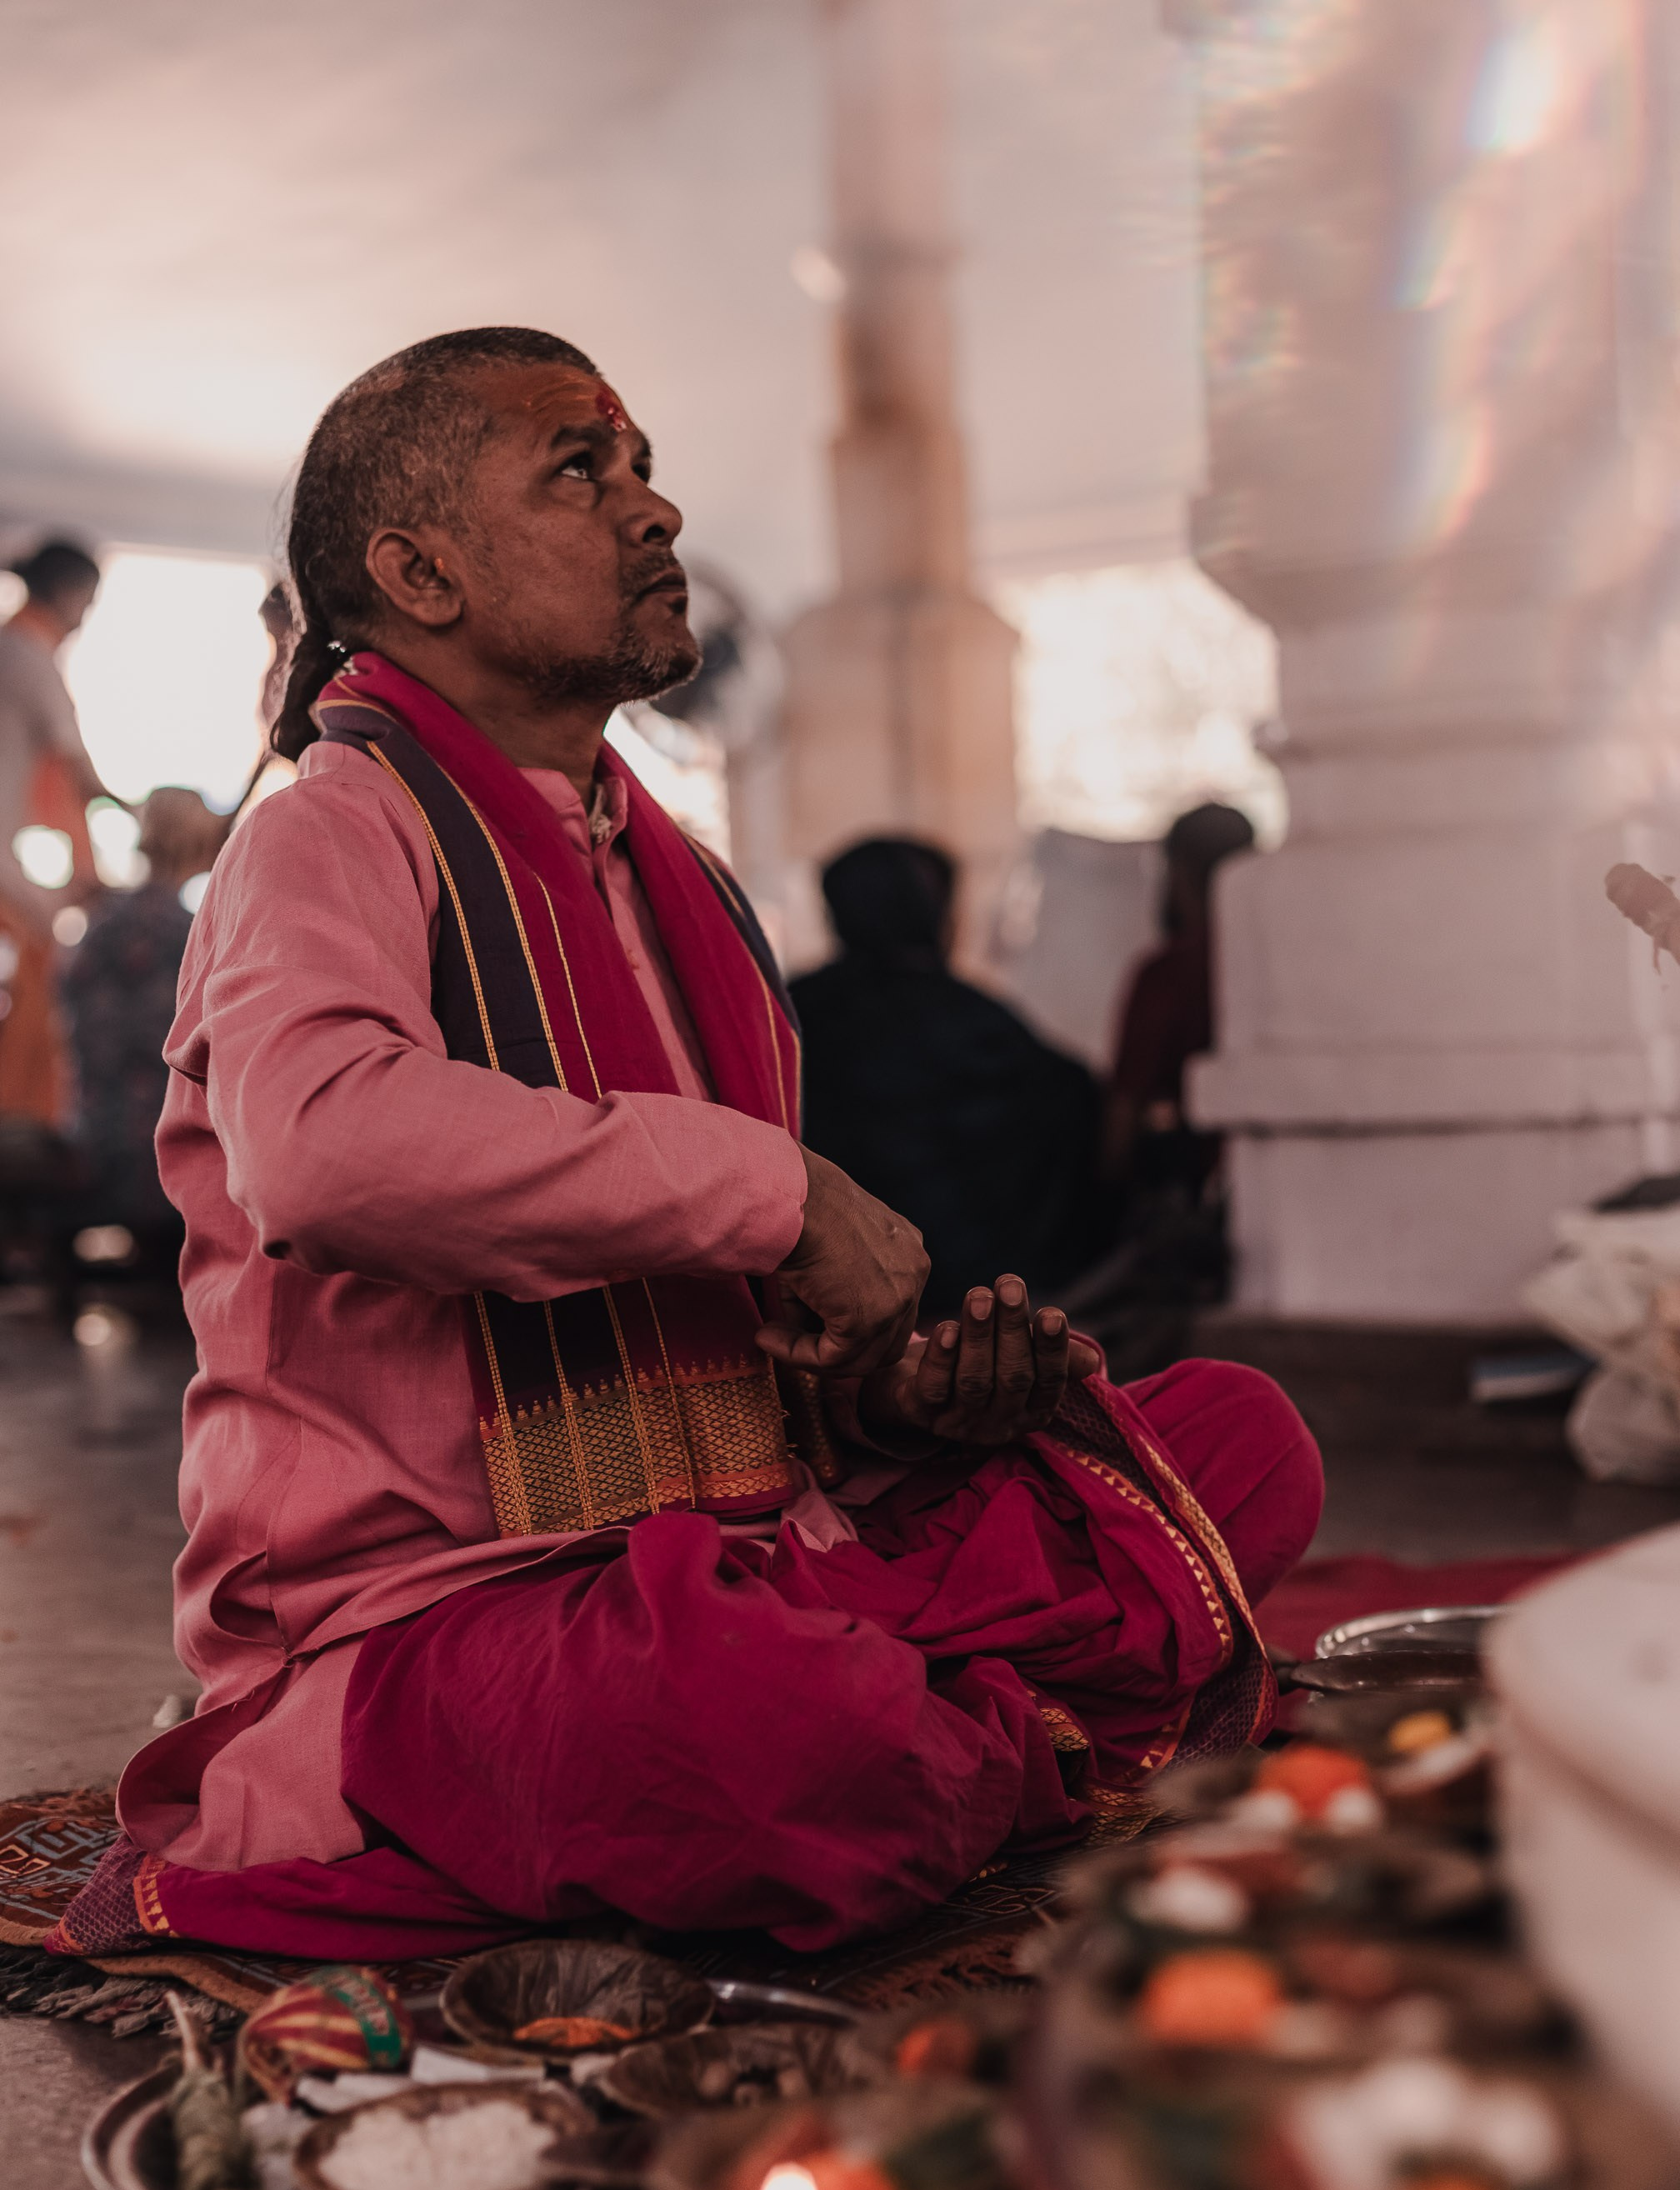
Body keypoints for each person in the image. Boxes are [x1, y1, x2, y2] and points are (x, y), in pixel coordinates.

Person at [46, 328, 1320, 1968]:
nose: (654, 513)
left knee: (1236, 1436)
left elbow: (732, 1344)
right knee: (767, 1726)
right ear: (417, 571)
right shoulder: (328, 830)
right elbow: (324, 1149)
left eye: (642, 466)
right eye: (583, 472)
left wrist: (890, 1405)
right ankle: (948, 1740)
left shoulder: (686, 883)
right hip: (452, 1608)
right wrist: (778, 1193)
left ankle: (926, 1736)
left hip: (751, 1546)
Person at [791, 838, 1101, 1318]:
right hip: (979, 1292)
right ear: (936, 914)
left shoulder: (792, 1013)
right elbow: (1073, 1111)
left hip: (824, 1287)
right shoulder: (974, 1020)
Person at [59, 786, 227, 1262]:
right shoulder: (190, 933)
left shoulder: (100, 925)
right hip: (163, 1152)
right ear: (198, 844)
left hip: (93, 1137)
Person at [1103, 798, 1256, 1201]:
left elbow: (1123, 1118)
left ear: (1181, 870)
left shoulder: (1167, 974)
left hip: (1191, 1199)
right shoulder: (1279, 961)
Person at [0, 538, 104, 1125]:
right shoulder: (29, 658)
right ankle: (20, 1124)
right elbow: (79, 774)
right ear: (69, 596)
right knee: (41, 979)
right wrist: (158, 821)